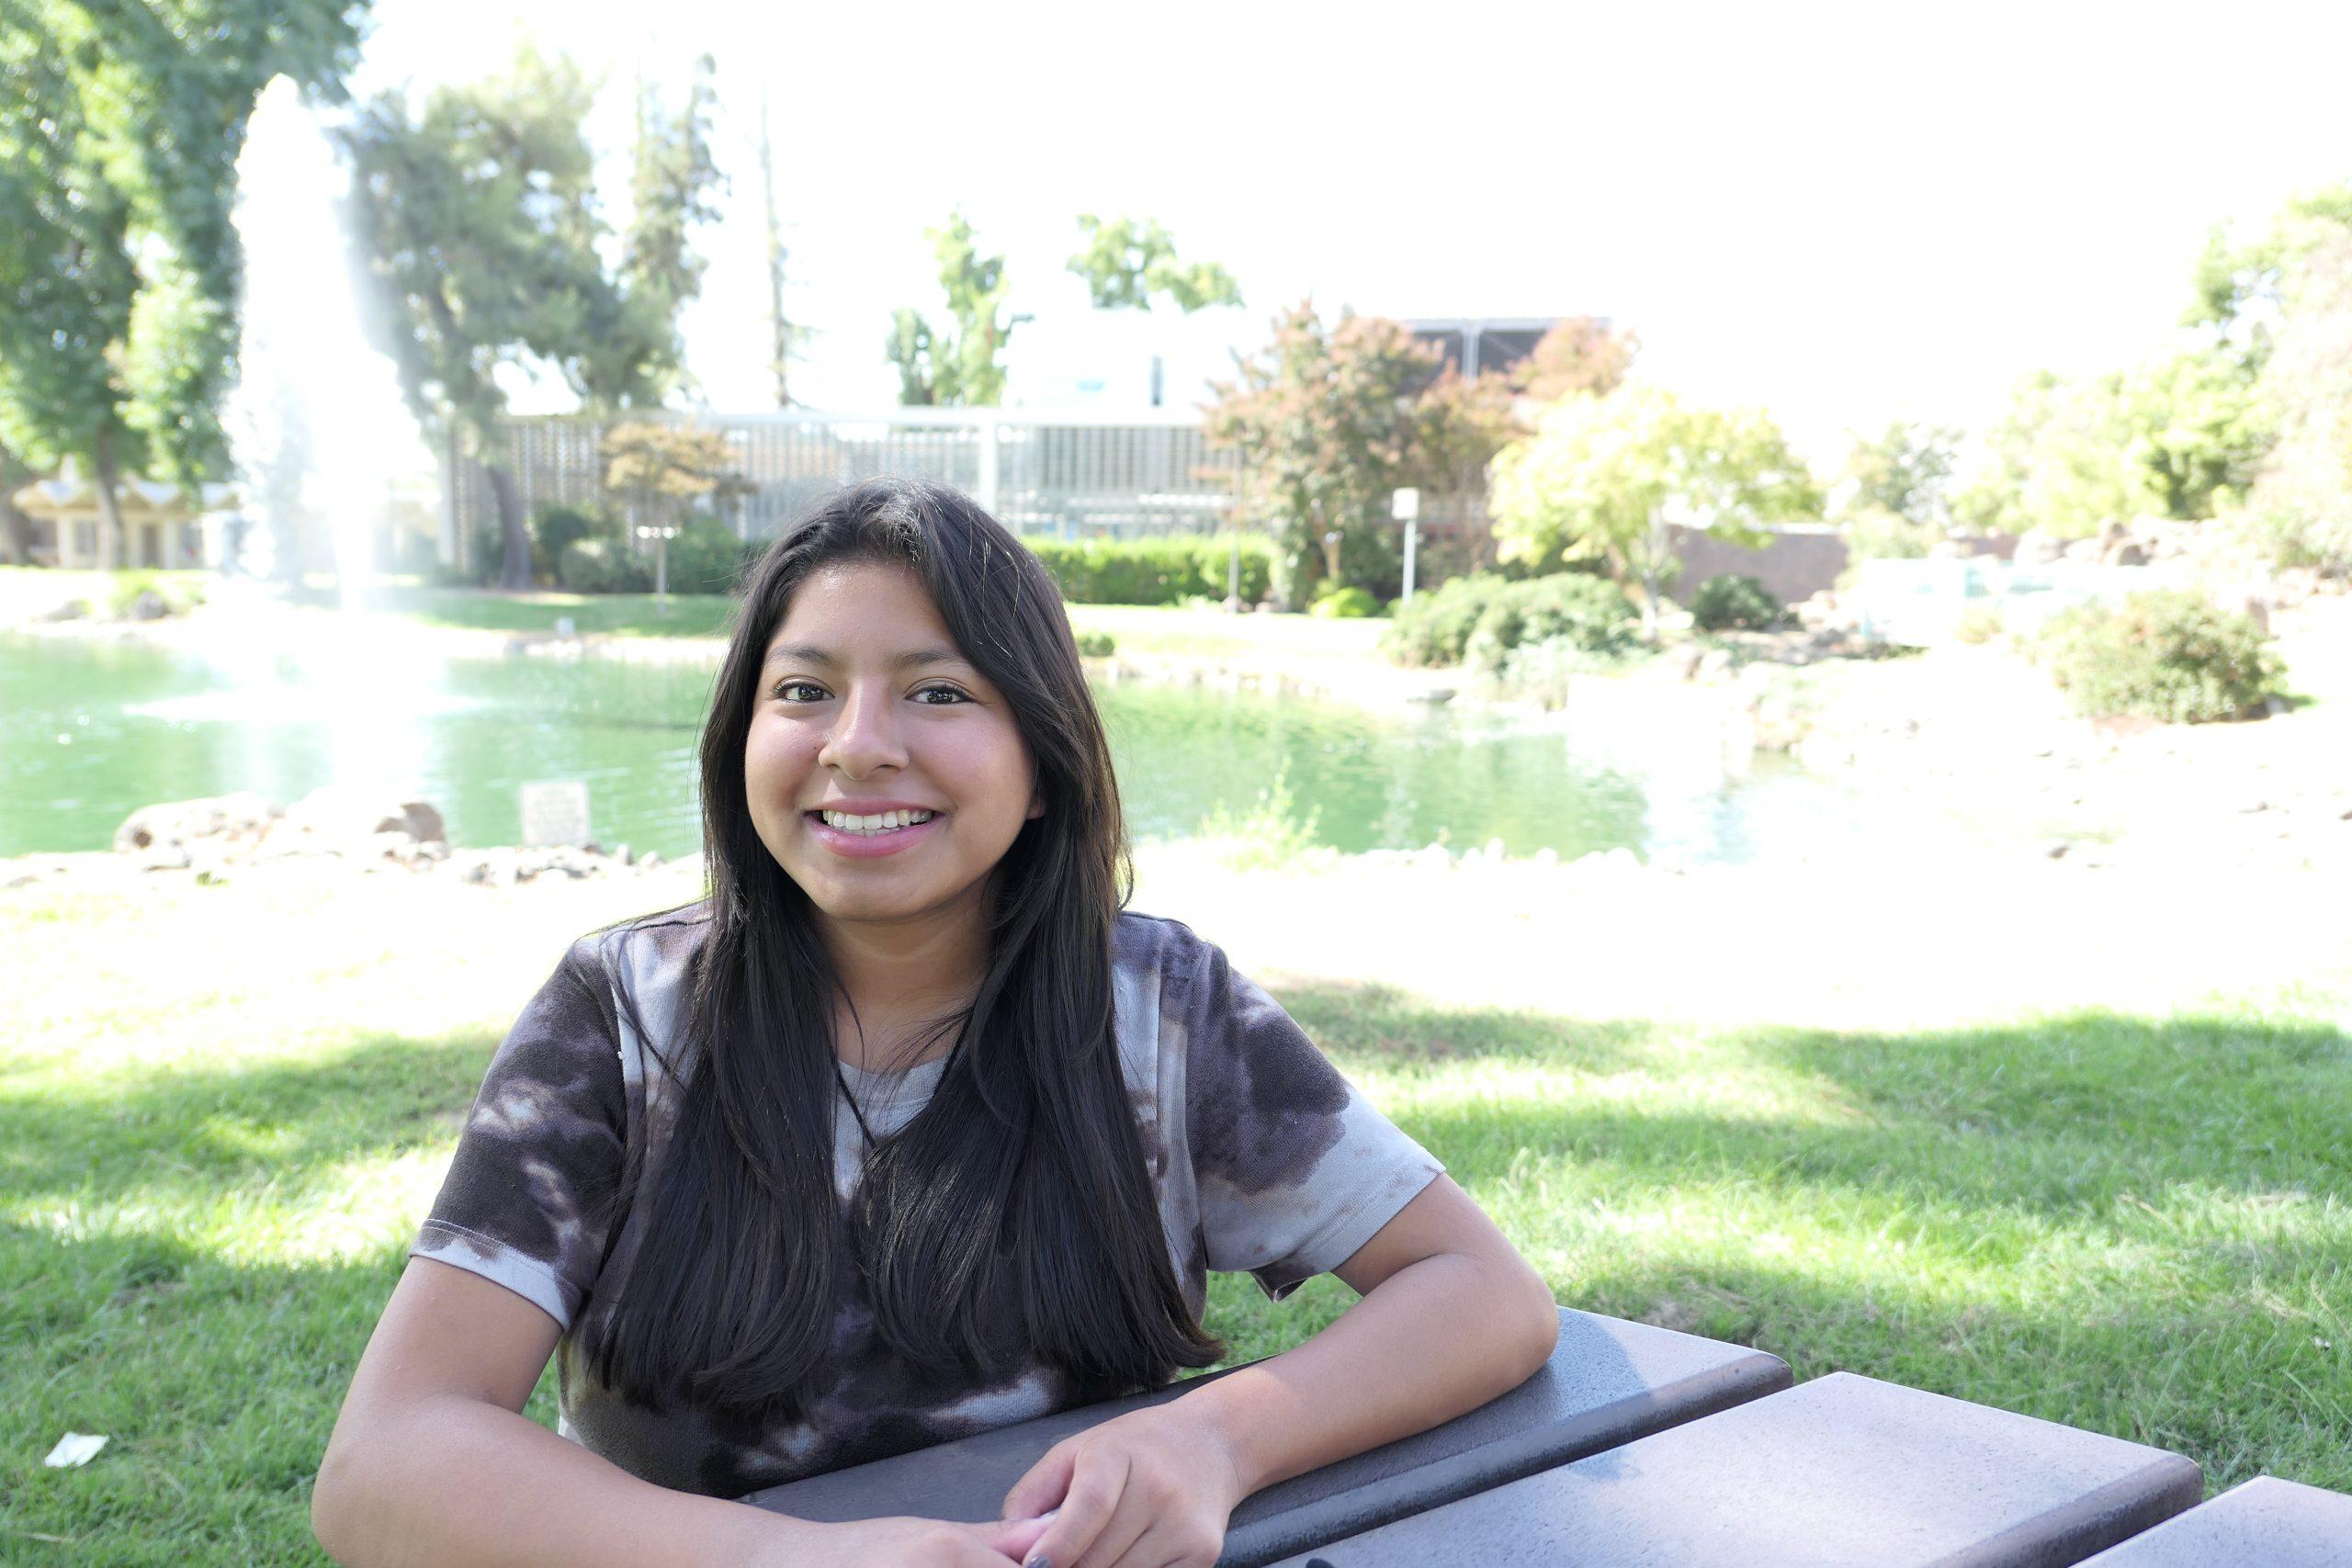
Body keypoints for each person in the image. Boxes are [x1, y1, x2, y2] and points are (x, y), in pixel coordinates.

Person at [311, 479, 1560, 1568]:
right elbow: (385, 1465)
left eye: (939, 693)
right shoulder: (622, 1020)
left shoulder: (1165, 1015)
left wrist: (1210, 1439)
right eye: (804, 689)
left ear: (1040, 759)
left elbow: (1483, 1294)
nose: (858, 748)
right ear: (743, 739)